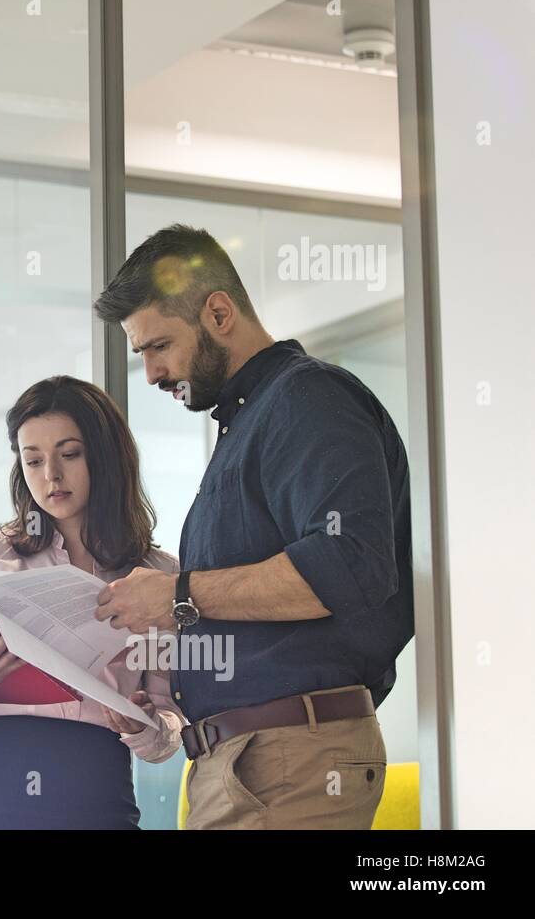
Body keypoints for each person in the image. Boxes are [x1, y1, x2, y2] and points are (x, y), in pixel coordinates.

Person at [93, 224, 414, 829]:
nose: (152, 373)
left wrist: (177, 594)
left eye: (158, 346)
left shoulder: (308, 398)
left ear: (218, 312)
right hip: (248, 765)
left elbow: (350, 563)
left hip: (285, 762)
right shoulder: (249, 422)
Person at [0, 375, 186, 830]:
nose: (51, 476)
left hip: (99, 794)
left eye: (69, 454)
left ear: (105, 456)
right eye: (33, 460)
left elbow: (169, 729)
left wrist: (143, 724)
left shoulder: (157, 576)